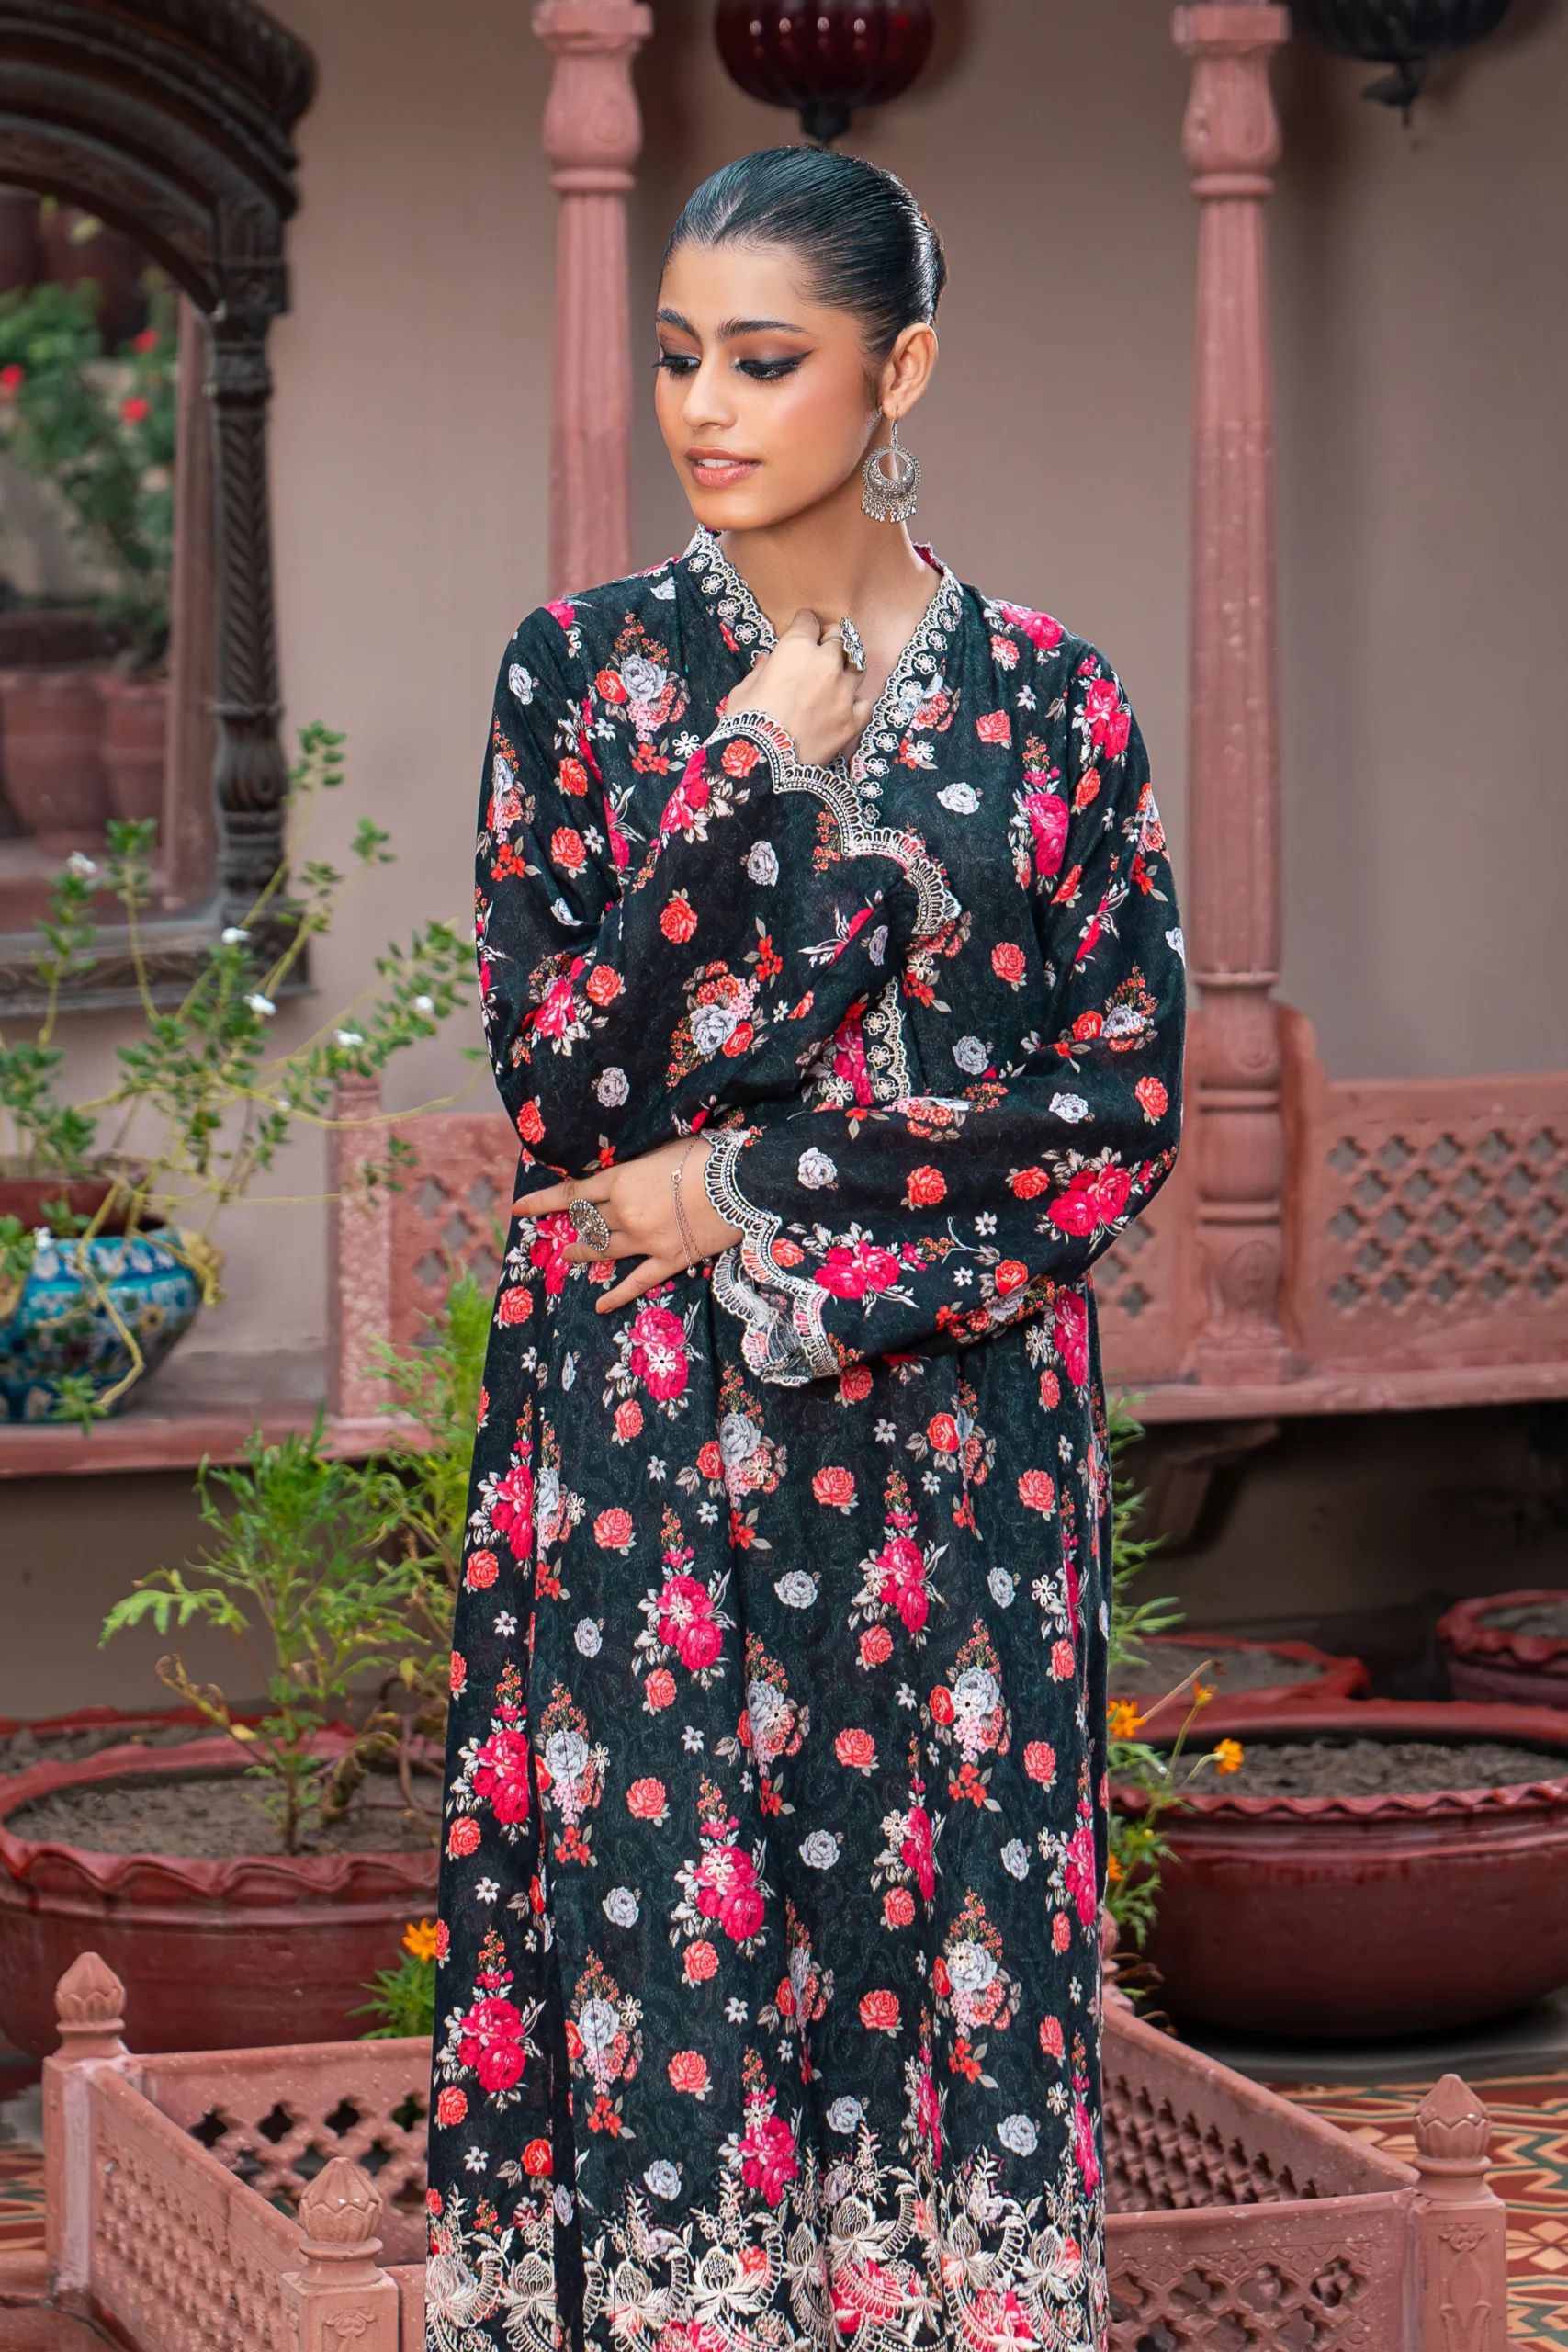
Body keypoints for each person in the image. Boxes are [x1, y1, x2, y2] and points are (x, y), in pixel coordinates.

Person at [427, 146, 1184, 2352]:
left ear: (898, 368)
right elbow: (567, 1092)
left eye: (765, 360)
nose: (703, 406)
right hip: (645, 1449)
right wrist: (747, 761)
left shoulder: (1052, 701)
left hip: (958, 1454)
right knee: (661, 1944)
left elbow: (1110, 1110)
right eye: (678, 355)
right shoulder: (582, 677)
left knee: (948, 1947)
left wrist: (744, 1187)